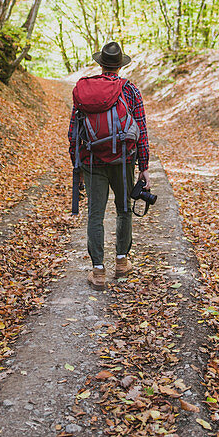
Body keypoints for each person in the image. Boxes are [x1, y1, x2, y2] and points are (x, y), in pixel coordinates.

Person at [68, 41, 151, 290]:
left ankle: (98, 270)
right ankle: (122, 262)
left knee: (96, 213)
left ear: (101, 63)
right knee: (123, 208)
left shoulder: (84, 90)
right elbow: (141, 130)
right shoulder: (130, 90)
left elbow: (74, 132)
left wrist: (77, 166)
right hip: (123, 160)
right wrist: (144, 166)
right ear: (119, 66)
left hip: (91, 160)